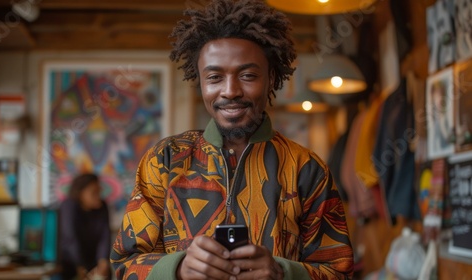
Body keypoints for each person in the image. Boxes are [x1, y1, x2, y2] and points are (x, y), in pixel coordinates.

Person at [110, 0, 353, 279]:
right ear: (201, 82)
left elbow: (340, 272)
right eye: (214, 77)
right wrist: (179, 269)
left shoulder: (307, 169)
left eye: (248, 75)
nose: (230, 91)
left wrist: (282, 273)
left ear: (271, 78)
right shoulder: (164, 160)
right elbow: (122, 266)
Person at [59, 173, 111, 280]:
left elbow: (105, 235)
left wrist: (103, 261)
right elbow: (70, 238)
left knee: (107, 271)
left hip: (93, 260)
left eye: (99, 191)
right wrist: (80, 266)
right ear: (80, 193)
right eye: (94, 192)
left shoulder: (102, 207)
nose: (98, 195)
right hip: (72, 261)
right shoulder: (69, 206)